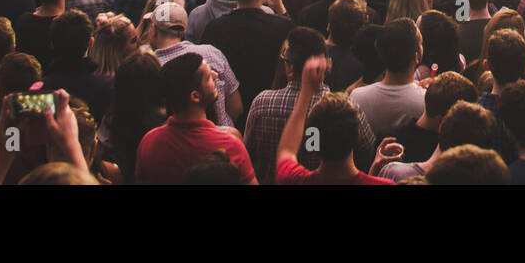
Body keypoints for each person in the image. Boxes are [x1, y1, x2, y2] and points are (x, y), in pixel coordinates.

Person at [134, 54, 256, 185]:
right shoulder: (230, 144)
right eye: (209, 77)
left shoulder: (149, 142)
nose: (215, 75)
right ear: (195, 96)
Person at [275, 56, 392, 185]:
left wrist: (306, 93)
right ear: (357, 135)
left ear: (313, 140)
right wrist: (373, 172)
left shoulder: (294, 180)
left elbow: (286, 150)